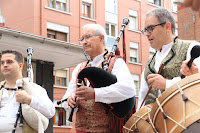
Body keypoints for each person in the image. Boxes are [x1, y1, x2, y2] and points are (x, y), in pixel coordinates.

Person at [62, 24, 135, 133]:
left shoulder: (116, 63)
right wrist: (71, 100)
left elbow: (128, 89)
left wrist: (95, 93)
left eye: (88, 37)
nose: (84, 42)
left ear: (101, 38)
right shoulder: (79, 68)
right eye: (82, 39)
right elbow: (66, 99)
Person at [137, 8, 200, 111]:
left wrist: (166, 84)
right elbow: (142, 99)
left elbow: (197, 82)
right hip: (154, 125)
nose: (147, 34)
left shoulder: (192, 48)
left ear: (167, 27)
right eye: (145, 30)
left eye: (151, 28)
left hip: (187, 123)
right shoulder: (149, 64)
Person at [0, 50, 55, 133]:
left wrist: (29, 99)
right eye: (2, 63)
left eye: (9, 62)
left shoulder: (34, 88)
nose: (5, 65)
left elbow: (50, 111)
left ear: (20, 66)